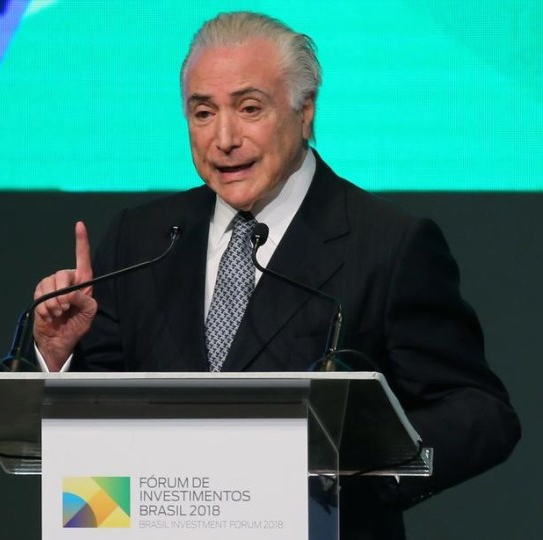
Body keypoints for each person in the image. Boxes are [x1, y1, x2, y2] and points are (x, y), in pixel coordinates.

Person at [31, 11, 520, 540]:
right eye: (202, 112)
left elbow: (481, 413)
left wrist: (361, 462)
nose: (224, 138)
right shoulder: (143, 238)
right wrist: (57, 359)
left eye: (249, 108)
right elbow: (101, 402)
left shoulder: (388, 244)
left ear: (304, 111)